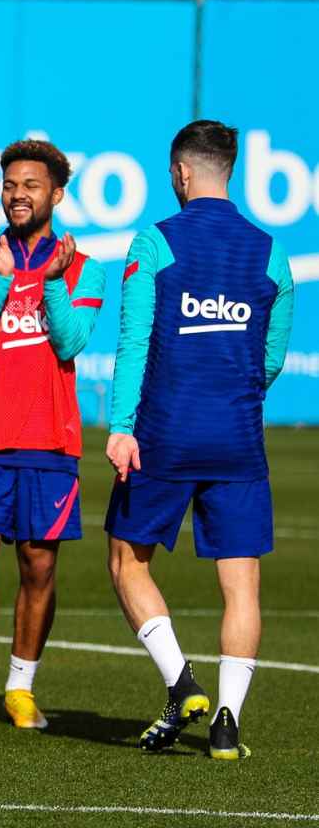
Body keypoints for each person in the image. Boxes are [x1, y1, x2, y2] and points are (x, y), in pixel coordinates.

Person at [104, 120, 293, 761]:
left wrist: (121, 426)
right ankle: (227, 722)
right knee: (242, 586)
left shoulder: (155, 242)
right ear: (230, 170)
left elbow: (134, 343)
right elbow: (270, 359)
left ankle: (181, 682)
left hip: (167, 433)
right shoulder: (271, 252)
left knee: (127, 563)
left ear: (180, 174)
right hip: (239, 437)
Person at [0, 140, 105, 731]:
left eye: (31, 186)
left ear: (57, 194)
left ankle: (20, 687)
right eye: (10, 184)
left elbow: (68, 341)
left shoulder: (85, 265)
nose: (18, 194)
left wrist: (51, 281)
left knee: (39, 567)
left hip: (49, 441)